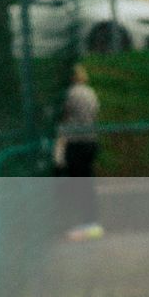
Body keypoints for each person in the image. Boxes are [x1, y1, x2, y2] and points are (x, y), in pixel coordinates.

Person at [57, 63, 101, 241]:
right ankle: (89, 222)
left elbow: (62, 114)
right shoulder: (90, 92)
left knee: (79, 184)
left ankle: (88, 224)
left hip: (76, 142)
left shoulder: (69, 94)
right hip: (90, 140)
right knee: (86, 183)